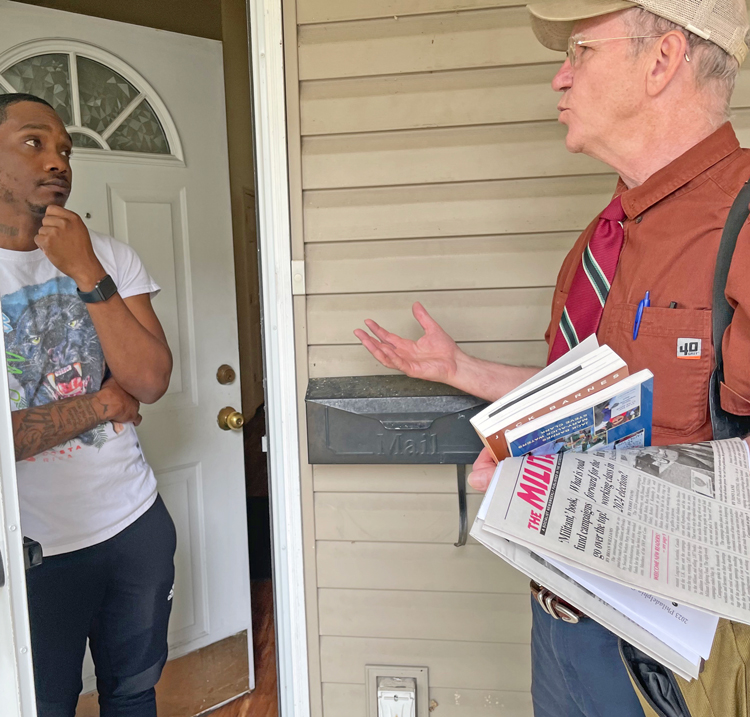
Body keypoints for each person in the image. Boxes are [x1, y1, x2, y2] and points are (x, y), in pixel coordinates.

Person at [355, 1, 750, 715]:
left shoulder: (742, 226)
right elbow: (601, 396)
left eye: (581, 52)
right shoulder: (604, 237)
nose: (560, 80)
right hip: (562, 627)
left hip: (669, 666)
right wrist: (462, 371)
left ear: (662, 61)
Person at [0, 92, 175, 717]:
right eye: (33, 142)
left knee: (133, 693)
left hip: (134, 522)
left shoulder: (110, 258)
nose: (57, 162)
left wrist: (86, 271)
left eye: (65, 150)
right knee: (44, 704)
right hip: (31, 552)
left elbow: (150, 379)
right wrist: (103, 404)